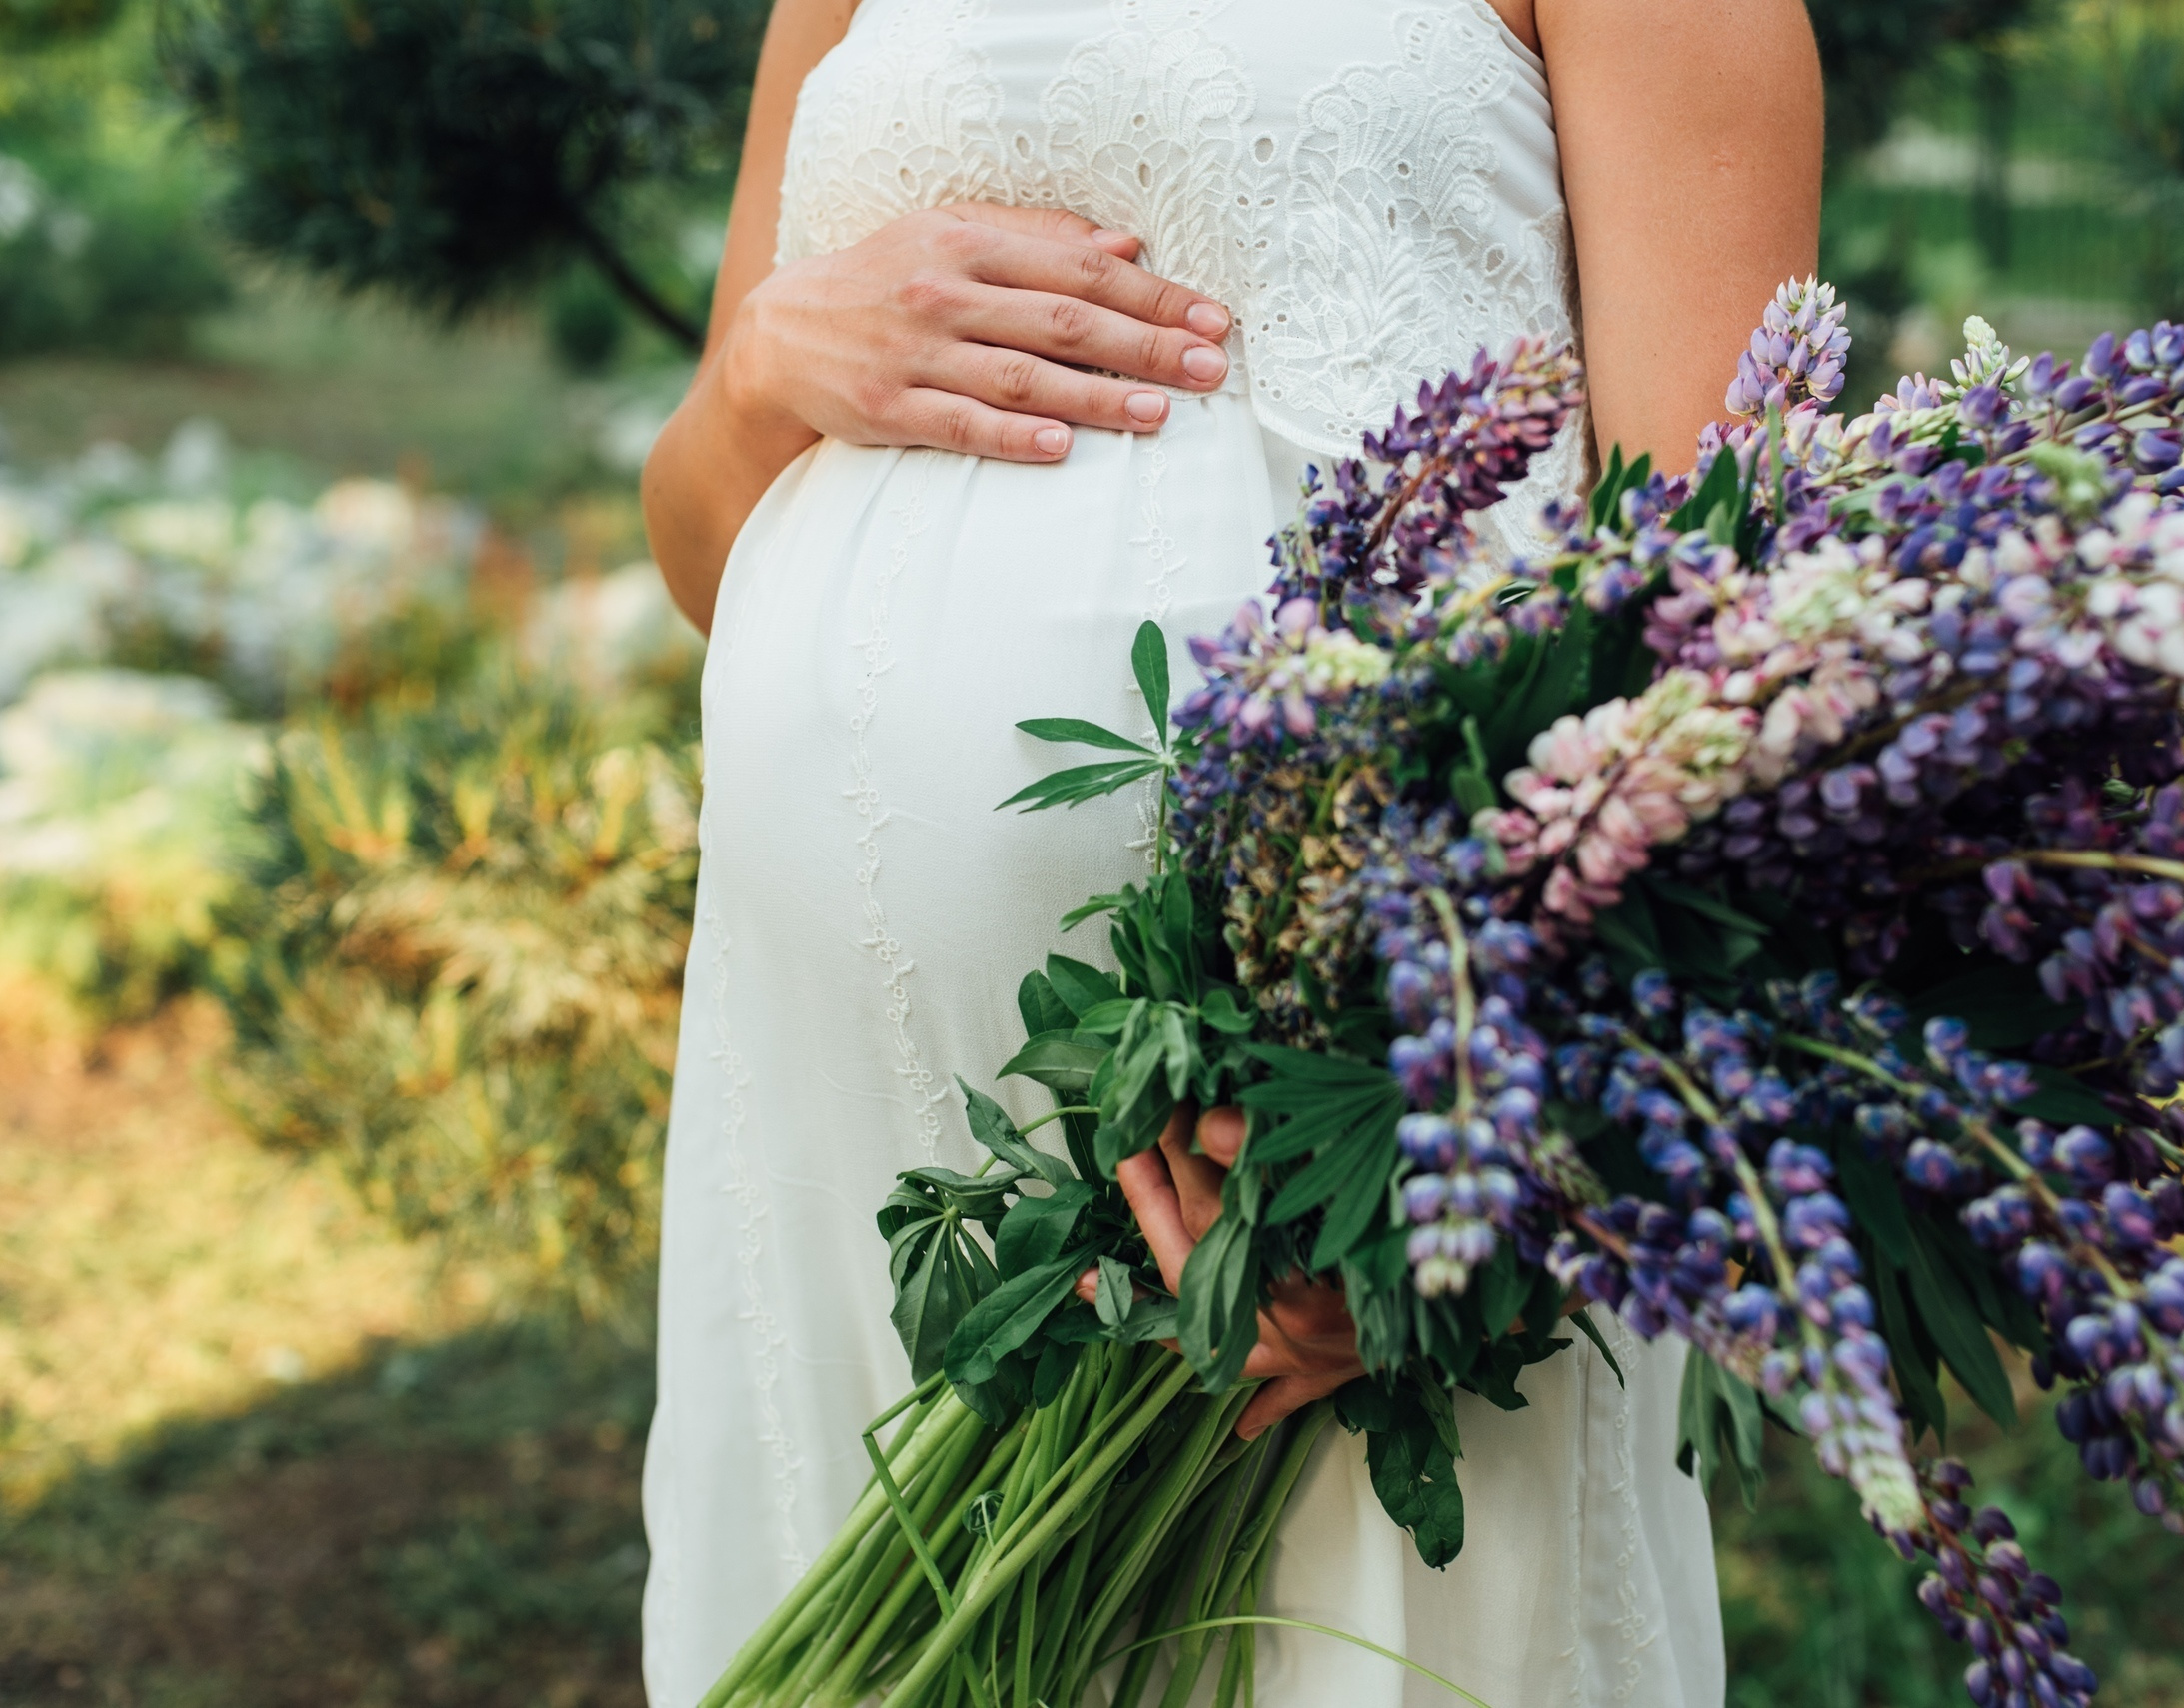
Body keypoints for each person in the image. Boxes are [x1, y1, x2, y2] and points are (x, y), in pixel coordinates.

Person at [637, 1, 1823, 1701]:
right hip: (839, 1135)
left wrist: (1465, 1180)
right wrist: (764, 365)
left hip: (1322, 1157)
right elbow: (699, 545)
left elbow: (1729, 639)